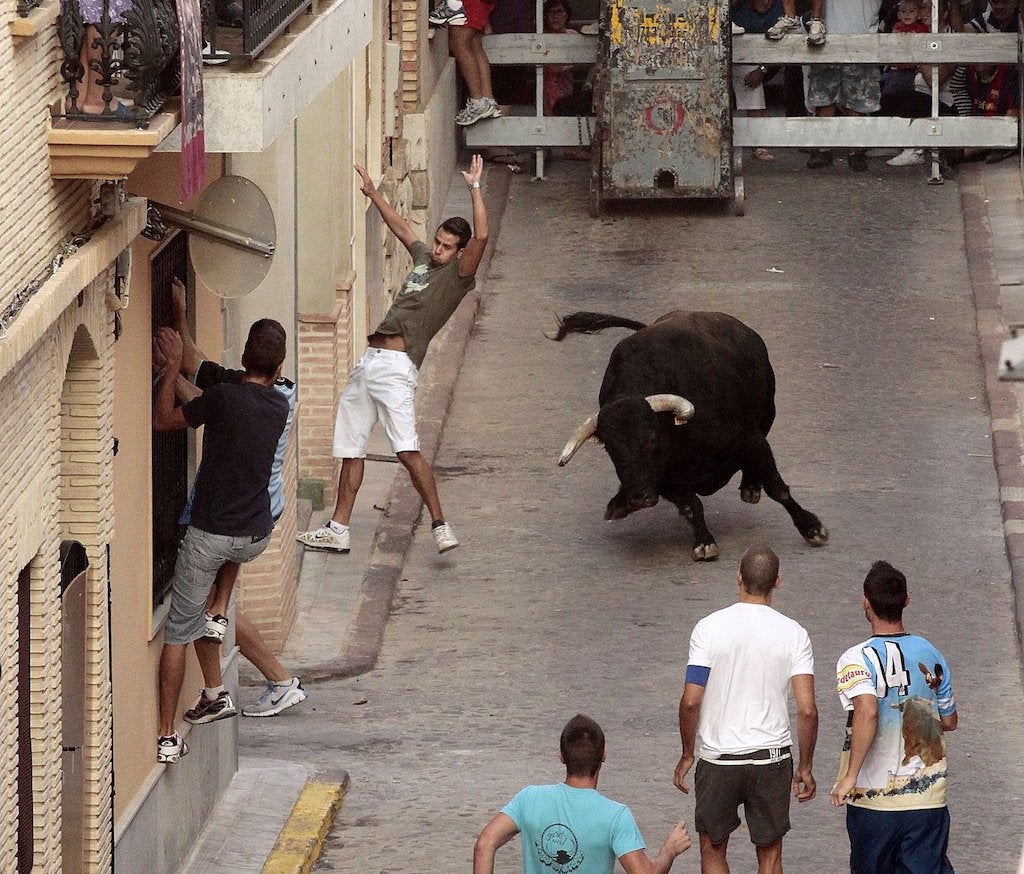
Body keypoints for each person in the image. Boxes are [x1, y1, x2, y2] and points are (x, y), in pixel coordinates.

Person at [297, 156, 488, 556]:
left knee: (406, 450)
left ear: (460, 253)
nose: (437, 249)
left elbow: (483, 237)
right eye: (437, 241)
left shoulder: (457, 278)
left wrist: (474, 187)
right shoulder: (424, 259)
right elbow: (401, 228)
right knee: (350, 448)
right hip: (368, 365)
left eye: (447, 247)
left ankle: (440, 525)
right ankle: (338, 529)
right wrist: (373, 193)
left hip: (396, 369)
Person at [159, 279, 308, 719]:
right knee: (214, 607)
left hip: (226, 512)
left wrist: (169, 368)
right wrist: (182, 317)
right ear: (279, 366)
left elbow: (202, 400)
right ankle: (231, 686)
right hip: (257, 515)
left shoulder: (230, 395)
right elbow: (206, 392)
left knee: (198, 608)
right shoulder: (279, 396)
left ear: (244, 358)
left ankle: (260, 682)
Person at [673, 544, 818, 874]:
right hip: (771, 760)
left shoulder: (708, 628)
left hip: (718, 759)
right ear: (777, 582)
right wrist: (806, 766)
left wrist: (686, 753)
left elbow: (691, 701)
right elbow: (807, 710)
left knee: (713, 850)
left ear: (738, 578)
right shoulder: (795, 634)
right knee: (770, 855)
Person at [830, 560, 958, 874]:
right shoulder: (931, 653)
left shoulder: (854, 658)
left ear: (865, 603)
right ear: (907, 601)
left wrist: (849, 777)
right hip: (927, 800)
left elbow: (868, 711)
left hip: (873, 801)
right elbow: (950, 720)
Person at [473, 714, 693, 874]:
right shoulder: (615, 816)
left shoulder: (529, 798)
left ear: (561, 756)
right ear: (603, 755)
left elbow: (485, 843)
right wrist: (669, 850)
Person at [805, 0, 883, 171]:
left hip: (862, 41)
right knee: (824, 100)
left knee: (856, 103)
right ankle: (823, 148)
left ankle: (855, 150)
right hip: (825, 39)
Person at [732, 0, 786, 161]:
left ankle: (759, 144)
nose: (765, 1)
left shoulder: (779, 9)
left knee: (753, 88)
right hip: (726, 51)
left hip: (753, 57)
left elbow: (783, 47)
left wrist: (763, 69)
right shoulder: (737, 6)